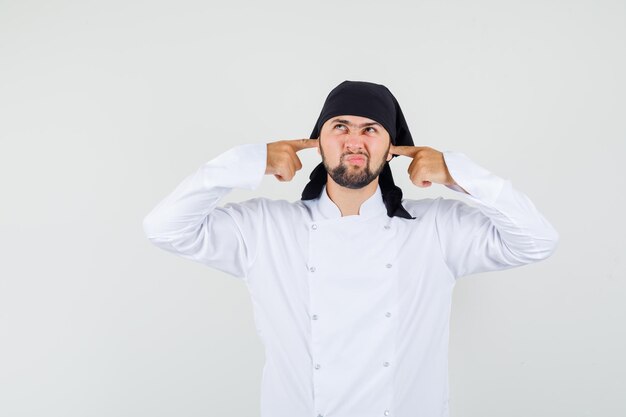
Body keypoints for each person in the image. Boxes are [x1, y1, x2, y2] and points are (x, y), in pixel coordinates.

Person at [142, 80, 559, 417]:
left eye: (370, 129)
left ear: (392, 147)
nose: (354, 140)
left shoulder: (436, 228)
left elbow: (537, 241)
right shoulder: (266, 229)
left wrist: (458, 172)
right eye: (339, 126)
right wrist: (246, 161)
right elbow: (165, 228)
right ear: (317, 143)